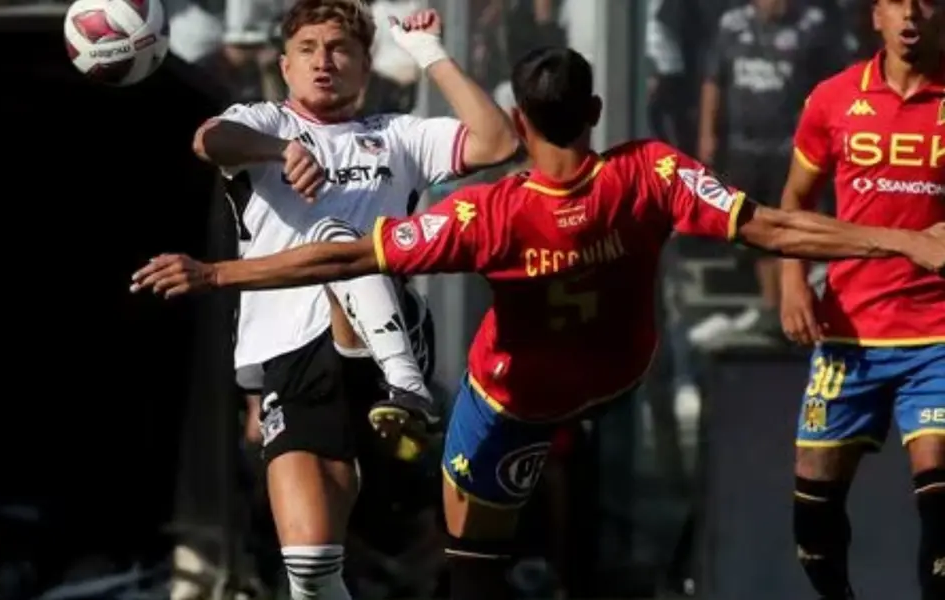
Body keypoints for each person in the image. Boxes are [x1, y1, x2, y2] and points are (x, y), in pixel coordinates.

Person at [131, 46, 945, 600]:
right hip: (615, 374)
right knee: (561, 512)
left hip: (508, 402)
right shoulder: (653, 171)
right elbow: (774, 226)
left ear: (519, 122)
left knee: (473, 562)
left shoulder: (487, 214)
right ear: (594, 108)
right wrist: (907, 239)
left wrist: (217, 273)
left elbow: (343, 258)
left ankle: (412, 411)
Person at [190, 0, 517, 598]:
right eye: (309, 49)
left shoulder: (395, 136)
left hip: (384, 349)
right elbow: (210, 140)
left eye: (340, 49)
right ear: (284, 65)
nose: (323, 62)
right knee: (311, 572)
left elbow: (497, 142)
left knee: (339, 240)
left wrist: (430, 54)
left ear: (365, 67)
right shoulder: (266, 123)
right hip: (292, 362)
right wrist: (278, 151)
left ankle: (409, 390)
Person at [779, 1, 945, 598]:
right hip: (850, 332)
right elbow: (795, 202)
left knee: (940, 496)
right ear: (876, 15)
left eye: (926, 2)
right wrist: (794, 281)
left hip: (938, 334)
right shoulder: (833, 99)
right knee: (813, 519)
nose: (913, 15)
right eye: (898, 2)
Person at [695, 0, 845, 344]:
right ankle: (770, 306)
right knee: (754, 227)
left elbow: (832, 84)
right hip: (744, 147)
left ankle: (798, 302)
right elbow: (713, 81)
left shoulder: (812, 26)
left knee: (792, 222)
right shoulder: (731, 24)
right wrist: (708, 134)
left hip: (791, 147)